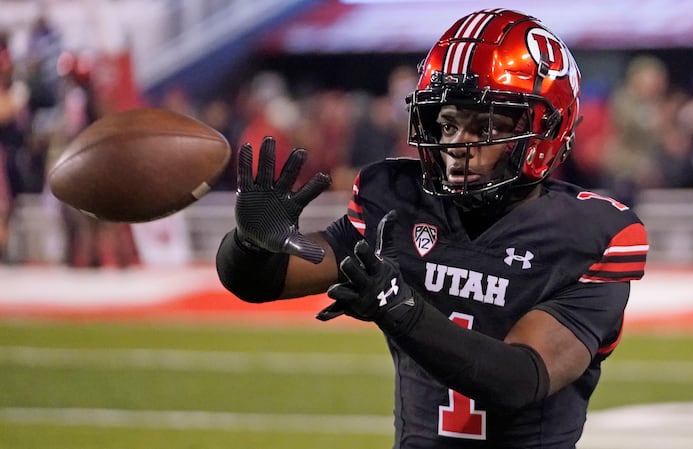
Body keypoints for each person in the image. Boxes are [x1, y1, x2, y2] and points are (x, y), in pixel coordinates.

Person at [216, 9, 648, 449]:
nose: (459, 145)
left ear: (545, 131)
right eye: (447, 124)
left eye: (486, 127)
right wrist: (249, 244)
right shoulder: (399, 202)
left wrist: (401, 309)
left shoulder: (592, 234)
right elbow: (262, 282)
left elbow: (521, 379)